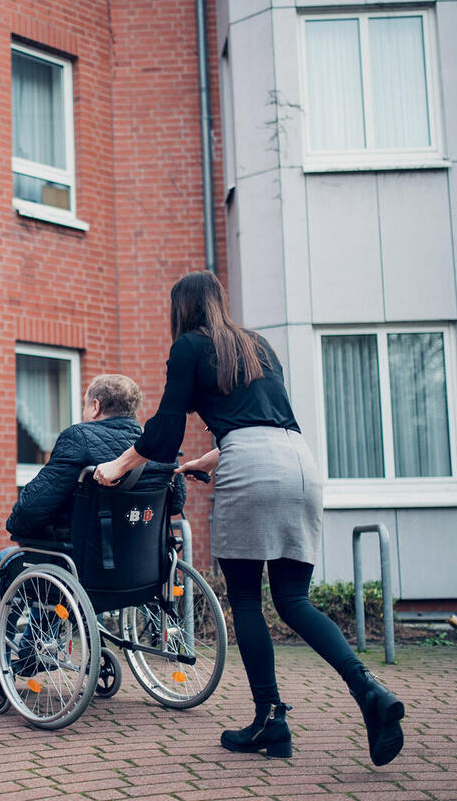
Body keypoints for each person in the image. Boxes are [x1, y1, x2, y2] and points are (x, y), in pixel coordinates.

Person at [94, 270, 405, 767]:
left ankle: (270, 719)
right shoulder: (257, 346)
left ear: (182, 310)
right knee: (293, 600)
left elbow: (164, 431)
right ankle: (367, 689)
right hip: (299, 463)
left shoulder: (189, 347)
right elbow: (264, 422)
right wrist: (207, 461)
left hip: (251, 468)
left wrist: (118, 464)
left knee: (244, 598)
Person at [5, 373, 177, 544]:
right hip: (146, 561)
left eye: (85, 405)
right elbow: (176, 503)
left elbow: (30, 510)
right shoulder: (159, 443)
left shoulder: (79, 438)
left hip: (86, 559)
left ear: (95, 406)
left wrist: (16, 527)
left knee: (5, 559)